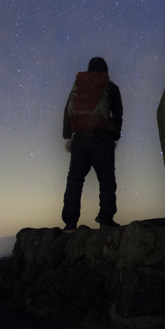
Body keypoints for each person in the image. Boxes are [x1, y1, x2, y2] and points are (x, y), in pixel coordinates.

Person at [61, 57, 123, 229]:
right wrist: (115, 136)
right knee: (107, 180)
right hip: (102, 139)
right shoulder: (110, 87)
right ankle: (106, 219)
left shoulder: (78, 87)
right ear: (105, 70)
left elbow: (67, 111)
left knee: (75, 180)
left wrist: (67, 136)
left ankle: (70, 223)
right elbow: (118, 114)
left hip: (79, 139)